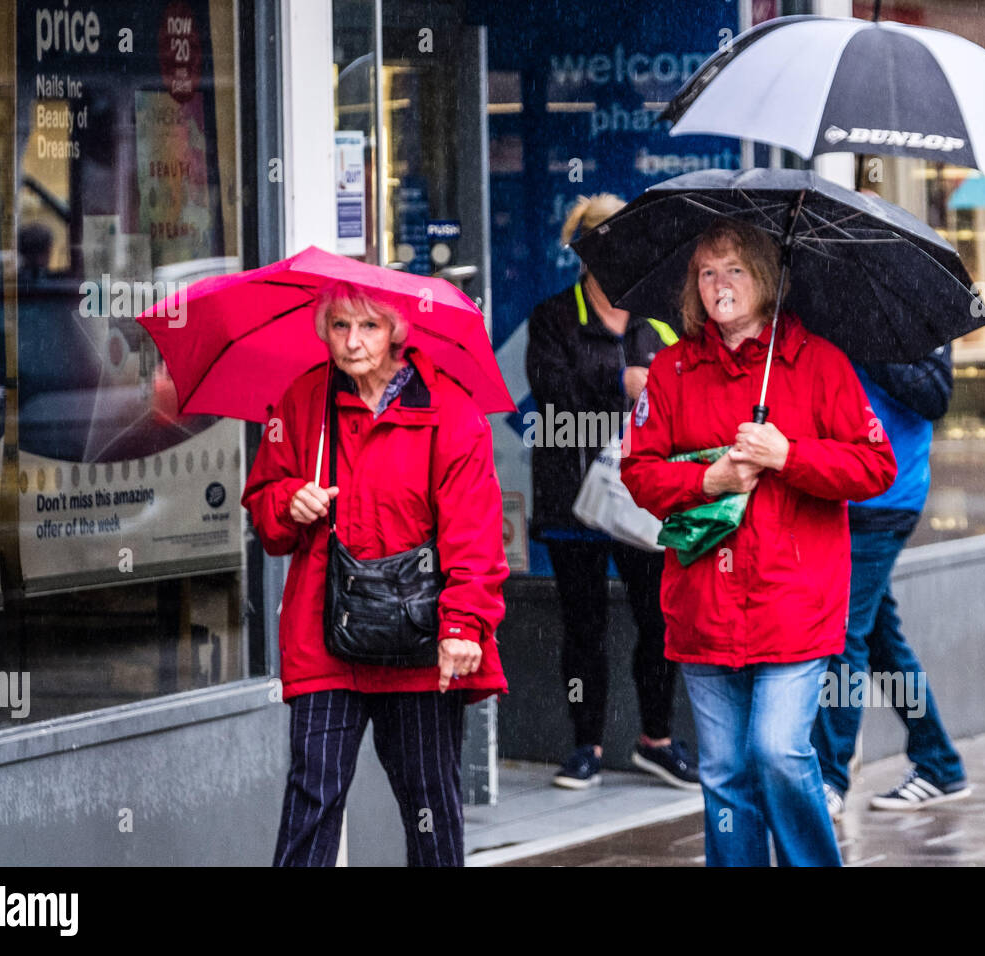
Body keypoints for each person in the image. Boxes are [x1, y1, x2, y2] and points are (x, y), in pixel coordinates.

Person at [620, 219, 897, 866]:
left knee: (776, 751)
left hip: (794, 599)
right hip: (702, 600)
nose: (719, 284)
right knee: (723, 774)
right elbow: (639, 472)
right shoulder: (672, 367)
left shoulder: (819, 363)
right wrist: (707, 478)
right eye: (707, 272)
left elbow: (873, 468)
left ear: (766, 279)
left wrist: (788, 455)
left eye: (735, 270)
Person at [242, 279, 508, 867]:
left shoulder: (451, 412)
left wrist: (464, 625)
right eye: (340, 326)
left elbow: (474, 535)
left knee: (429, 804)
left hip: (419, 641)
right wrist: (289, 501)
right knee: (312, 794)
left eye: (368, 326)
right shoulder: (303, 400)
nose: (353, 341)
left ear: (396, 333)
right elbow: (265, 511)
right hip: (326, 635)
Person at [526, 193, 696, 790]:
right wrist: (618, 379)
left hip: (644, 498)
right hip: (574, 500)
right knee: (584, 626)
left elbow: (687, 401)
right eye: (615, 244)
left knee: (659, 620)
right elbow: (549, 391)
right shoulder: (553, 316)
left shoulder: (656, 323)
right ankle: (585, 746)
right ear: (589, 252)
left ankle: (657, 739)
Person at [811, 345, 971, 820]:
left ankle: (828, 778)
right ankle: (939, 762)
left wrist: (866, 344)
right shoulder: (818, 299)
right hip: (832, 488)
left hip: (885, 496)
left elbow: (935, 396)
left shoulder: (909, 304)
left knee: (843, 634)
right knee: (879, 638)